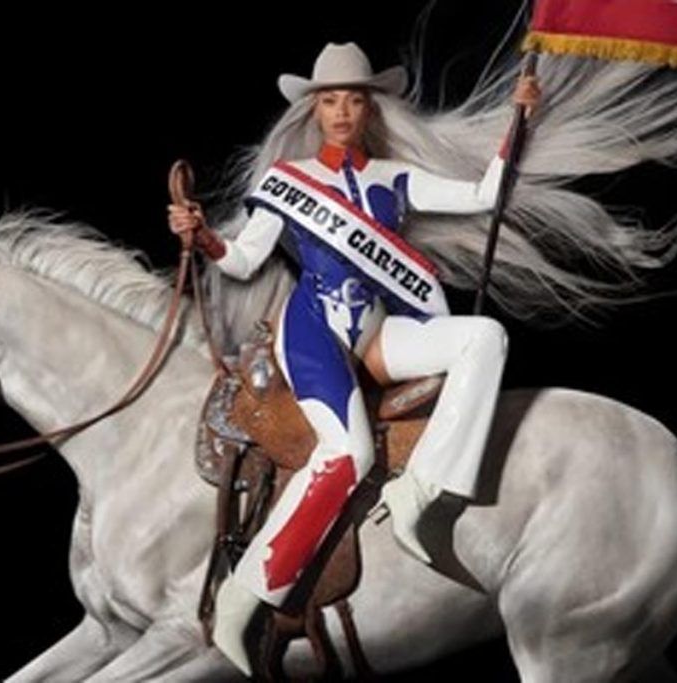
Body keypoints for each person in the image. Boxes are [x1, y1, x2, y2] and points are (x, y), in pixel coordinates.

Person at [168, 42, 539, 675]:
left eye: (354, 101)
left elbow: (485, 194)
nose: (342, 112)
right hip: (311, 331)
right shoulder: (288, 181)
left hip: (375, 332)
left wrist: (519, 119)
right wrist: (202, 237)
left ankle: (424, 495)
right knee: (349, 454)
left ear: (370, 109)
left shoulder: (393, 178)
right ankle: (245, 595)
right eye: (331, 101)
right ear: (315, 111)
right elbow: (244, 260)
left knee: (484, 337)